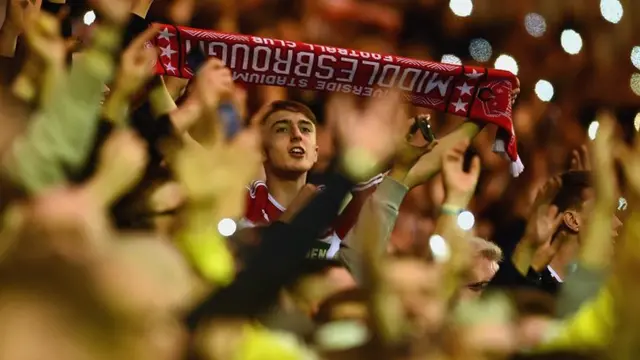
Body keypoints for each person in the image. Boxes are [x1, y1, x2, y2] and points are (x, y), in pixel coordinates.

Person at [240, 100, 383, 258]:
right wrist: (297, 207)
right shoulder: (242, 202)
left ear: (315, 152)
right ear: (262, 150)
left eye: (305, 129)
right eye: (282, 129)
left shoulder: (333, 206)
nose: (297, 135)